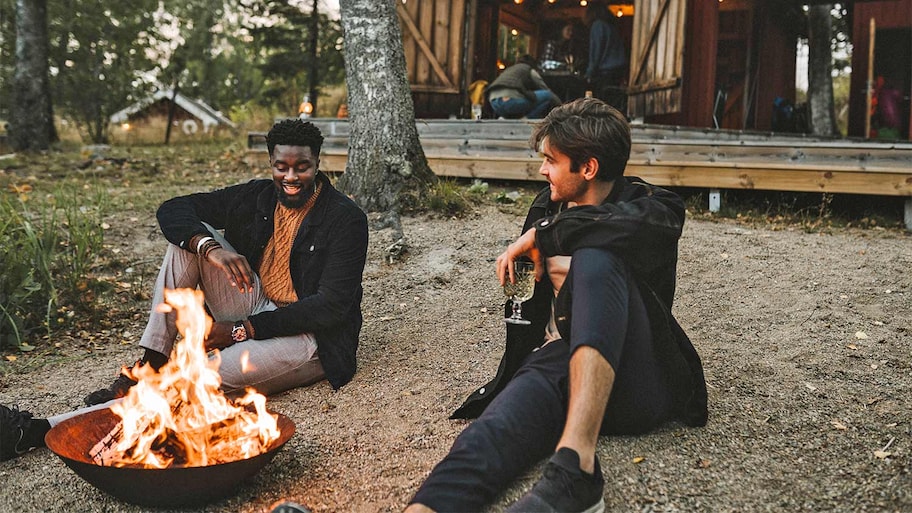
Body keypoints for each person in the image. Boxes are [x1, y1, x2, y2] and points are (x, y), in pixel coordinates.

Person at [0, 118, 369, 461]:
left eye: (301, 167)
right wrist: (210, 247)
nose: (290, 176)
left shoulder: (345, 218)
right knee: (186, 242)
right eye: (280, 166)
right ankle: (151, 362)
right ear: (270, 163)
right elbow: (174, 208)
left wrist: (242, 330)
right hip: (257, 302)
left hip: (310, 338)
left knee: (197, 375)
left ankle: (36, 430)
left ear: (317, 164)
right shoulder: (258, 196)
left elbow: (331, 306)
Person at [404, 97, 708, 512]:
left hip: (632, 380)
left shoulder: (655, 207)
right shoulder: (546, 207)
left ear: (588, 168)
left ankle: (575, 470)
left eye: (551, 160)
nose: (542, 169)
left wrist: (547, 236)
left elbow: (625, 229)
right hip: (558, 362)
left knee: (596, 257)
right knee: (491, 431)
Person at [486, 54, 562, 120]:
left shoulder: (509, 69)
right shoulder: (528, 69)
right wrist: (562, 107)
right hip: (510, 101)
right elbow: (546, 90)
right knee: (547, 95)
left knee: (525, 99)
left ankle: (506, 118)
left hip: (494, 103)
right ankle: (526, 119)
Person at [584, 0, 628, 111]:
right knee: (613, 100)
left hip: (606, 71)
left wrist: (589, 73)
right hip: (618, 69)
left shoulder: (598, 26)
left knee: (601, 102)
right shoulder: (611, 27)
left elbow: (596, 51)